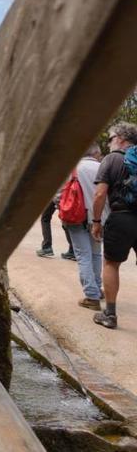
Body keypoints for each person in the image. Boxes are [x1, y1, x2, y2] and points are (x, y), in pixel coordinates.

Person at [91, 123, 137, 328]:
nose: (109, 143)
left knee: (111, 263)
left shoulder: (112, 158)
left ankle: (110, 315)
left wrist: (96, 221)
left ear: (120, 139)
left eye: (110, 139)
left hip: (122, 217)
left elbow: (100, 194)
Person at [65, 143, 106, 310]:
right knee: (96, 254)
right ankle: (96, 288)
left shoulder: (74, 169)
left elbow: (60, 194)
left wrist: (64, 209)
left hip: (76, 218)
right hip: (99, 219)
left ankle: (91, 295)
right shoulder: (103, 168)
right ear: (96, 153)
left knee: (83, 256)